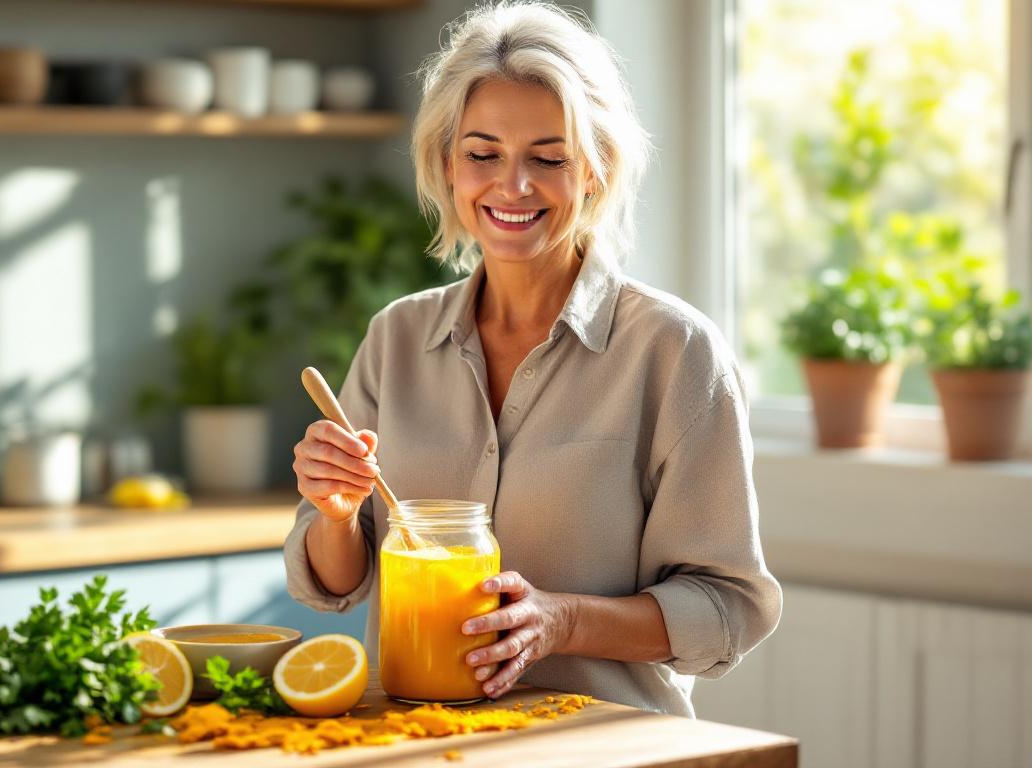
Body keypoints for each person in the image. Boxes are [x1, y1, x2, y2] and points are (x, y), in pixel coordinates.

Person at [283, 0, 781, 717]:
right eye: (483, 154)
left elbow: (730, 606)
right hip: (415, 742)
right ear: (448, 164)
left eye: (548, 158)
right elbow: (336, 582)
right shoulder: (396, 339)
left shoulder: (675, 353)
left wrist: (561, 621)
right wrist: (336, 514)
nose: (512, 186)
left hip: (603, 750)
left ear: (595, 169)